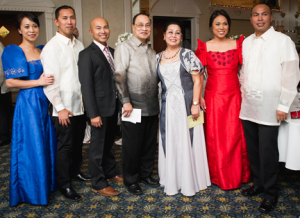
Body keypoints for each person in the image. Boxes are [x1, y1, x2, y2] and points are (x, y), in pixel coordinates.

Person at [240, 3, 299, 213]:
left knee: (268, 154)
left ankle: (271, 193)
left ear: (271, 17)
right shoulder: (246, 43)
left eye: (264, 14)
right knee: (254, 151)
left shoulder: (283, 41)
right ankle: (258, 184)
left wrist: (284, 104)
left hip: (271, 108)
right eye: (256, 15)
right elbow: (244, 74)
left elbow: (291, 74)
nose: (260, 18)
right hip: (248, 107)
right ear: (251, 18)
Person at [1, 12, 57, 206]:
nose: (31, 30)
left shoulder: (43, 50)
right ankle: (30, 191)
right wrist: (38, 81)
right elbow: (10, 82)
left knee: (45, 142)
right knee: (31, 144)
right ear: (19, 30)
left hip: (45, 102)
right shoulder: (13, 51)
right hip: (28, 104)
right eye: (26, 26)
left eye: (34, 25)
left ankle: (45, 184)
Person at [195, 9, 251, 190]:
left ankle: (238, 174)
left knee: (235, 135)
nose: (221, 27)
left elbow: (246, 72)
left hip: (235, 97)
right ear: (211, 26)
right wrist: (200, 97)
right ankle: (216, 175)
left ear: (229, 26)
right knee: (215, 137)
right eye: (217, 23)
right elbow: (199, 76)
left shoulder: (239, 45)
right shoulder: (204, 47)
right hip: (213, 99)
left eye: (225, 23)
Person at [41, 5, 90, 202]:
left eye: (72, 17)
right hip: (64, 108)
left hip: (80, 106)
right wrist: (60, 108)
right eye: (64, 18)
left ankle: (75, 172)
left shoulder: (78, 45)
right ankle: (64, 184)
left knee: (78, 144)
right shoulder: (52, 47)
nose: (69, 21)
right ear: (56, 22)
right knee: (65, 147)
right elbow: (50, 83)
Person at [157, 20, 211, 196]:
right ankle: (173, 179)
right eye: (170, 32)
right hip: (168, 107)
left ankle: (191, 180)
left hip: (187, 105)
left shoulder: (187, 55)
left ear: (181, 37)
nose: (173, 35)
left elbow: (198, 80)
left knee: (189, 140)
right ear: (164, 35)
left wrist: (195, 104)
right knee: (171, 140)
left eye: (177, 32)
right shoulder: (157, 58)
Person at [114, 13, 159, 195]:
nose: (144, 28)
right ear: (133, 27)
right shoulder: (125, 47)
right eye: (140, 25)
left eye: (147, 25)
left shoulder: (152, 50)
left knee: (149, 144)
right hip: (132, 106)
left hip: (152, 105)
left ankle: (145, 174)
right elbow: (119, 76)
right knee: (132, 146)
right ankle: (131, 179)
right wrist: (125, 102)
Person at [78, 17, 123, 196]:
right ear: (91, 32)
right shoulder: (86, 54)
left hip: (112, 107)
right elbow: (86, 86)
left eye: (105, 27)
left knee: (108, 143)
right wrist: (93, 114)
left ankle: (110, 172)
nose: (103, 31)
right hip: (98, 110)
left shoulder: (112, 51)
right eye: (98, 28)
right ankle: (98, 182)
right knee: (97, 147)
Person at [0, 42, 12, 147]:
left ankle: (4, 137)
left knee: (2, 114)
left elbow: (0, 70)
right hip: (3, 87)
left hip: (1, 88)